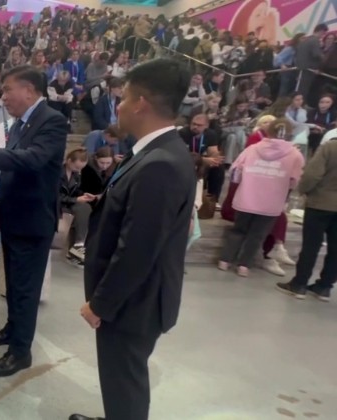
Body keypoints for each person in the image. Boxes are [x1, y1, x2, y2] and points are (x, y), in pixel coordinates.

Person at [70, 58, 195, 420]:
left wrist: (101, 305)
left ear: (141, 103)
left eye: (123, 98)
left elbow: (137, 250)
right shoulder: (155, 152)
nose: (119, 106)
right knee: (119, 380)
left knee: (124, 382)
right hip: (133, 299)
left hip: (133, 303)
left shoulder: (160, 163)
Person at [0, 65, 67, 377]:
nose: (2, 96)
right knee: (14, 283)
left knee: (25, 289)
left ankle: (20, 352)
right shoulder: (21, 122)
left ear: (29, 90)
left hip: (33, 220)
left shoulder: (52, 120)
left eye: (7, 89)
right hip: (14, 216)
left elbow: (33, 159)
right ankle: (12, 328)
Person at [218, 117, 304, 277]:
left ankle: (225, 261)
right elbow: (294, 180)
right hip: (271, 202)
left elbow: (235, 170)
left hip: (246, 198)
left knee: (238, 230)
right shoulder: (295, 155)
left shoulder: (253, 149)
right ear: (289, 134)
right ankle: (244, 266)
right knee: (257, 235)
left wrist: (243, 182)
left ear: (268, 131)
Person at [276, 137, 337, 301]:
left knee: (311, 246)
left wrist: (303, 190)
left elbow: (313, 174)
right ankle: (324, 287)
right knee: (335, 249)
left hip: (320, 203)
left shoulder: (330, 147)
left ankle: (299, 284)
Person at [61, 148, 94, 265]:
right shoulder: (57, 173)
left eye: (81, 168)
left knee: (85, 207)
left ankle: (78, 244)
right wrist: (76, 199)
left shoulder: (76, 174)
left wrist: (83, 195)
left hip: (69, 203)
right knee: (81, 209)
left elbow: (75, 192)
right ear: (69, 161)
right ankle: (78, 246)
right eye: (77, 167)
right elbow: (54, 196)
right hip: (57, 204)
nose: (79, 170)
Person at [180, 113, 224, 200]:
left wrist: (215, 158)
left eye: (199, 125)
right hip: (186, 160)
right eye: (193, 124)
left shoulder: (211, 134)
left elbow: (213, 151)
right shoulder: (183, 133)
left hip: (201, 160)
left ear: (206, 126)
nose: (195, 127)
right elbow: (182, 154)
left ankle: (212, 198)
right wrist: (203, 160)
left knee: (218, 167)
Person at [296, 24, 328, 106]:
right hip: (309, 69)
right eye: (324, 33)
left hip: (301, 68)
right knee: (304, 90)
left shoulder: (305, 40)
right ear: (321, 31)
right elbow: (316, 54)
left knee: (300, 89)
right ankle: (300, 106)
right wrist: (324, 57)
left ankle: (299, 105)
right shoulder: (315, 41)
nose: (323, 36)